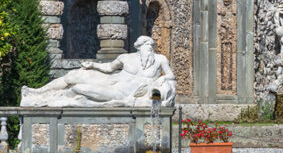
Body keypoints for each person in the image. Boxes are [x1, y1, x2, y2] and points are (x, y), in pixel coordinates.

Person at [21, 36, 176, 107]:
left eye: (151, 45)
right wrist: (93, 65)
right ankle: (37, 92)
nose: (149, 48)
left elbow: (170, 75)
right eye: (146, 45)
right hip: (113, 80)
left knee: (78, 88)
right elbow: (108, 68)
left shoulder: (160, 59)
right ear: (139, 47)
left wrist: (162, 79)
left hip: (122, 92)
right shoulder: (125, 57)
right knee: (74, 75)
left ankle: (48, 100)